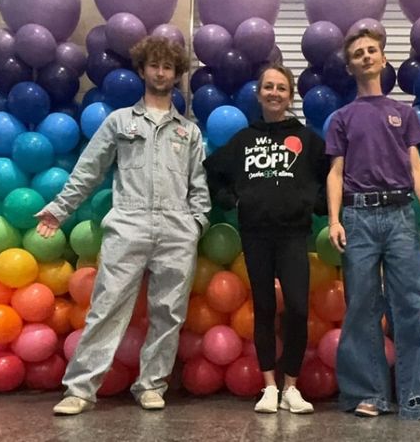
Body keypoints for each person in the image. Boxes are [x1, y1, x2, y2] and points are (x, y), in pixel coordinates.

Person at [36, 36, 211, 415]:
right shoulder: (119, 122)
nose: (161, 72)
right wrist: (59, 209)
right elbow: (88, 170)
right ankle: (80, 389)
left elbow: (199, 186)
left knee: (169, 312)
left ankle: (151, 385)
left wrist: (195, 224)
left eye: (168, 67)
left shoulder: (189, 132)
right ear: (142, 69)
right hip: (128, 224)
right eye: (154, 65)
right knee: (107, 306)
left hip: (177, 229)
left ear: (177, 74)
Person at [325, 29, 420, 421]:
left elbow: (416, 167)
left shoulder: (405, 113)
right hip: (359, 218)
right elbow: (335, 172)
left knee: (412, 305)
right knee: (362, 305)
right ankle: (370, 393)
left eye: (372, 50)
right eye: (358, 53)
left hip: (400, 216)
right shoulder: (341, 118)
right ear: (350, 67)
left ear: (383, 60)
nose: (366, 56)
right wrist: (335, 219)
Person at [203, 64, 327, 414]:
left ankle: (292, 387)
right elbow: (212, 172)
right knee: (265, 309)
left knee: (298, 310)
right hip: (255, 234)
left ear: (290, 96)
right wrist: (232, 200)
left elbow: (333, 175)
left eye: (282, 88)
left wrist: (313, 205)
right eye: (268, 87)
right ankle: (269, 386)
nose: (274, 93)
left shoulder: (307, 140)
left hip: (293, 235)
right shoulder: (244, 140)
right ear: (259, 94)